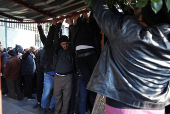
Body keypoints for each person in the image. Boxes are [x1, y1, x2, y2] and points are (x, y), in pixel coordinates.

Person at [87, 0, 170, 114]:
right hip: (156, 107)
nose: (136, 8)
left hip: (121, 105)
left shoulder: (125, 30)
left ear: (143, 16)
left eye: (140, 7)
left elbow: (101, 12)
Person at [66, 12, 100, 114]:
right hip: (82, 57)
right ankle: (90, 105)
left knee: (92, 83)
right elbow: (73, 35)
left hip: (91, 54)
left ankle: (92, 104)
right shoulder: (77, 28)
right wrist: (75, 21)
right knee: (89, 84)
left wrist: (87, 19)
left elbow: (95, 31)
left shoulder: (90, 25)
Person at [50, 19, 74, 114]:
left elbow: (72, 38)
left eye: (67, 44)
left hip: (68, 77)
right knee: (57, 97)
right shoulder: (58, 51)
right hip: (58, 77)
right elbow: (56, 37)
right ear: (60, 44)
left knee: (66, 99)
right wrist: (59, 23)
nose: (65, 45)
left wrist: (71, 24)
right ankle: (56, 112)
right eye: (63, 44)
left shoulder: (70, 50)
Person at [33, 23, 46, 109]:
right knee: (39, 86)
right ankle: (39, 101)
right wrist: (38, 69)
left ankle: (45, 103)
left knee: (48, 88)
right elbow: (37, 60)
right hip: (41, 70)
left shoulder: (53, 50)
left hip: (49, 71)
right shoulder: (40, 51)